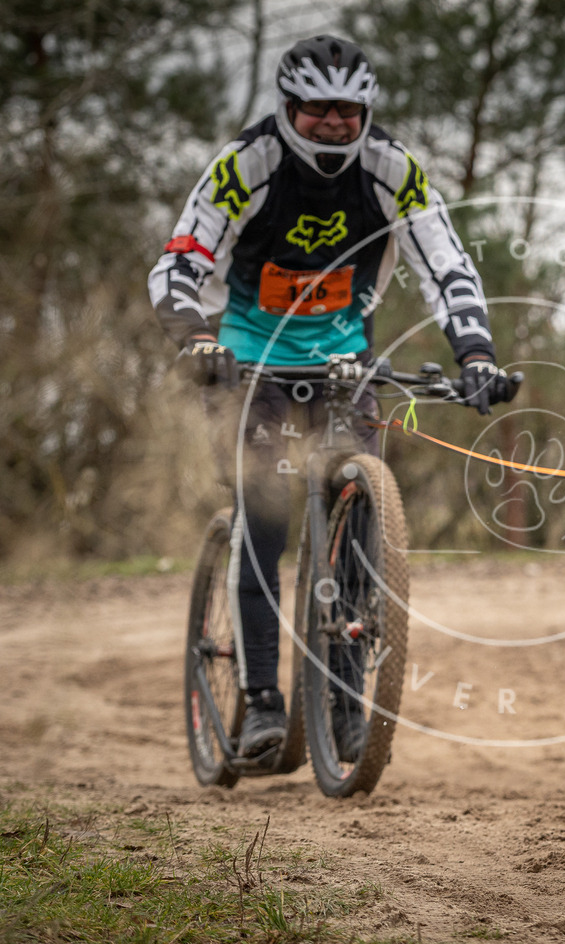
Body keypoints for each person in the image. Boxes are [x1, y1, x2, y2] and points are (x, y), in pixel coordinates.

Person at [149, 34, 513, 761]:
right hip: (248, 358)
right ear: (288, 108)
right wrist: (194, 338)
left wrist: (474, 353)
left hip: (347, 360)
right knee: (268, 522)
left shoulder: (393, 168)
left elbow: (447, 264)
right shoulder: (245, 165)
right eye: (318, 109)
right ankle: (260, 704)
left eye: (349, 110)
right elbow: (178, 264)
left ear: (366, 111)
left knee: (358, 527)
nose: (334, 123)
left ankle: (346, 704)